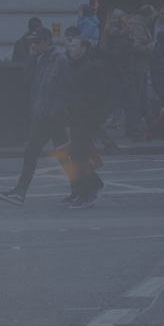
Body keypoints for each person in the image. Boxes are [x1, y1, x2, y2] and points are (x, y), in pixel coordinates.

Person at [0, 30, 69, 205]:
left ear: (47, 41)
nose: (33, 45)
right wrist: (31, 57)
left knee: (64, 154)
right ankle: (20, 192)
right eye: (32, 42)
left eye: (37, 41)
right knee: (32, 151)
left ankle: (83, 188)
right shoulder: (41, 58)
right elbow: (28, 77)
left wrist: (55, 112)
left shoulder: (61, 60)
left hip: (54, 116)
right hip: (42, 114)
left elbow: (64, 90)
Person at [61, 35, 108, 207]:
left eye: (74, 46)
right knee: (77, 154)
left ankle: (88, 191)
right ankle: (92, 186)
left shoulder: (90, 66)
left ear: (83, 49)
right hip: (76, 117)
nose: (70, 48)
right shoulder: (74, 66)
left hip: (87, 117)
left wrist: (82, 107)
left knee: (78, 154)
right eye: (70, 45)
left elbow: (101, 92)